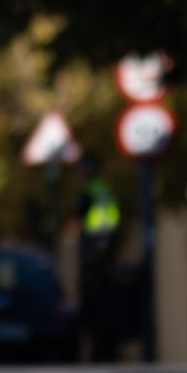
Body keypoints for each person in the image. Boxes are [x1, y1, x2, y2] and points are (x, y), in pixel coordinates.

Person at [72, 153, 120, 361]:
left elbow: (77, 219)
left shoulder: (88, 191)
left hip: (93, 252)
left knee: (91, 304)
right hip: (107, 251)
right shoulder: (105, 189)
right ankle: (107, 351)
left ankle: (94, 352)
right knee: (107, 304)